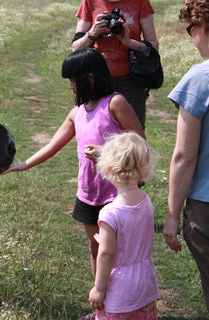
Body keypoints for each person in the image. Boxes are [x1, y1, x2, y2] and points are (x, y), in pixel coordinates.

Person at [0, 48, 144, 281]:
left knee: (116, 252)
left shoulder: (115, 104)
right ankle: (101, 310)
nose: (71, 86)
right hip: (88, 194)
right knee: (95, 248)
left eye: (74, 81)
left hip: (117, 194)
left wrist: (106, 152)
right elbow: (52, 146)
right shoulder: (77, 112)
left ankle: (121, 305)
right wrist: (24, 165)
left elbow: (139, 141)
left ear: (91, 78)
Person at [163, 0, 209, 312]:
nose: (191, 38)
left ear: (204, 26)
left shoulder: (199, 78)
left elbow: (184, 156)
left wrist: (171, 214)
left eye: (190, 29)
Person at [89, 131, 158, 319]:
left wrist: (98, 288)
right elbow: (135, 233)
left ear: (109, 169)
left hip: (121, 292)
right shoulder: (146, 201)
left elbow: (107, 253)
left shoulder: (110, 213)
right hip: (145, 283)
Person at [72, 0, 159, 130]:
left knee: (133, 133)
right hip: (97, 79)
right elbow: (76, 48)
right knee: (96, 130)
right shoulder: (90, 2)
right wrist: (93, 33)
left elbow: (153, 46)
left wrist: (129, 42)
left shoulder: (140, 2)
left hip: (132, 79)